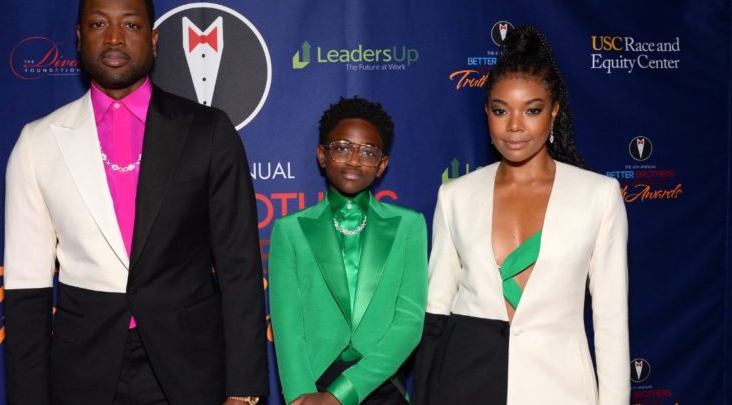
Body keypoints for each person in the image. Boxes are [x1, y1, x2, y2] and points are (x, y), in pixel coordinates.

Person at [2, 0, 267, 404]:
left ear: (154, 39)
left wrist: (245, 390)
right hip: (83, 370)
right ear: (78, 38)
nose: (113, 37)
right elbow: (25, 290)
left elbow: (240, 271)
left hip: (191, 367)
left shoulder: (208, 131)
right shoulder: (37, 142)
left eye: (130, 25)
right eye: (97, 24)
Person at [413, 24, 629, 405]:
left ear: (554, 112)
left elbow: (611, 323)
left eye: (532, 110)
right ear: (487, 113)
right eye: (501, 110)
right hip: (464, 383)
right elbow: (436, 311)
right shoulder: (455, 196)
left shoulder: (598, 195)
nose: (514, 126)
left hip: (561, 389)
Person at [268, 97, 427, 405]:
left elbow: (409, 322)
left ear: (381, 165)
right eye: (342, 147)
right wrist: (302, 396)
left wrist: (342, 394)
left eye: (368, 152)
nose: (354, 160)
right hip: (311, 386)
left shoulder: (410, 226)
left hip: (381, 383)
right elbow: (288, 328)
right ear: (322, 155)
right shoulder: (289, 230)